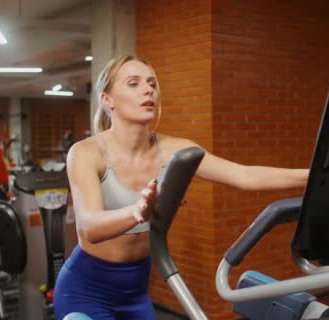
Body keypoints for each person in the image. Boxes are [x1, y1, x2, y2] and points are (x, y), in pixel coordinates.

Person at [53, 55, 309, 320]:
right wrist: (138, 211)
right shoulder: (86, 153)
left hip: (135, 292)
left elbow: (245, 176)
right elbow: (88, 228)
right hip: (84, 291)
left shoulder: (176, 151)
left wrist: (316, 177)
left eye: (152, 83)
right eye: (134, 83)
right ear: (108, 99)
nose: (148, 89)